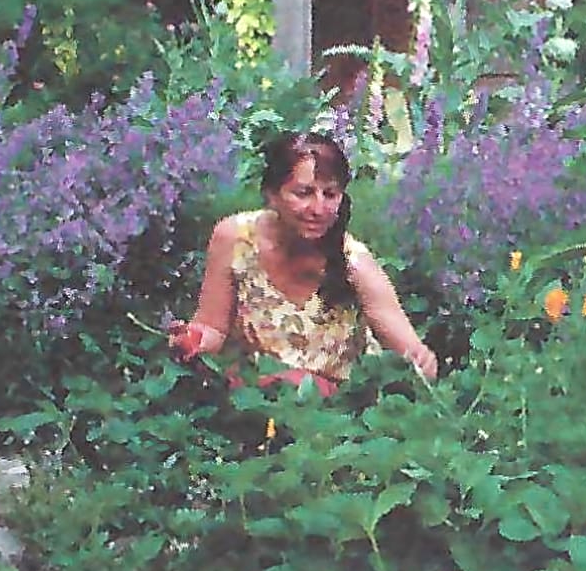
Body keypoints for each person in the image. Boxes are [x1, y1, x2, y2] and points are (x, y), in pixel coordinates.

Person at [170, 131, 437, 395]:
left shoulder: (354, 263)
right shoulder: (234, 238)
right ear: (271, 194)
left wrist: (419, 362)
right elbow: (213, 327)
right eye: (304, 193)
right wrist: (194, 339)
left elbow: (415, 354)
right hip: (250, 400)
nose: (318, 209)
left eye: (330, 195)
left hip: (331, 416)